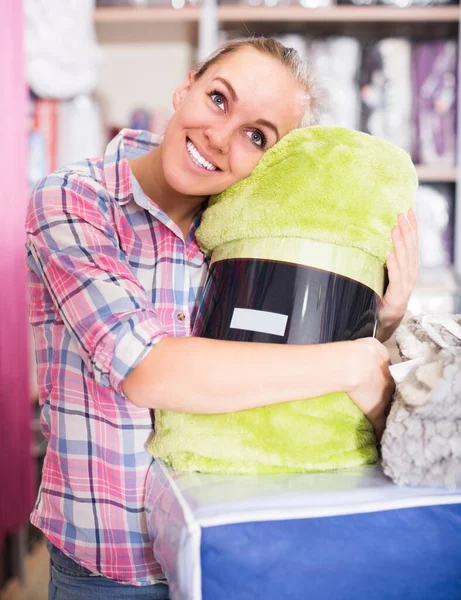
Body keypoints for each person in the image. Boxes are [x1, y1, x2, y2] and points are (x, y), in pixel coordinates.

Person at [25, 37, 419, 600]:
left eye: (256, 136)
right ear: (186, 87)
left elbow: (292, 374)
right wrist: (356, 363)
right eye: (218, 99)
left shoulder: (245, 232)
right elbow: (149, 369)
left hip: (234, 554)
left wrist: (382, 320)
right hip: (112, 576)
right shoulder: (73, 202)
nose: (220, 136)